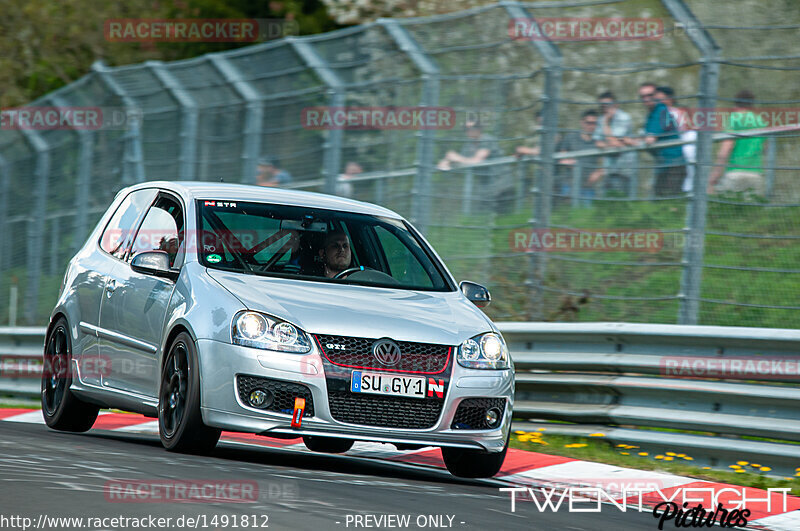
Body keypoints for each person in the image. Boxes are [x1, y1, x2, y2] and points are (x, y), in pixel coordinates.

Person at [708, 90, 767, 197]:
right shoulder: (761, 121)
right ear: (752, 104)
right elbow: (763, 149)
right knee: (752, 212)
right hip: (756, 173)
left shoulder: (734, 119)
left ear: (735, 104)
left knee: (726, 208)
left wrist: (714, 177)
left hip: (735, 173)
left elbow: (726, 149)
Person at [639, 82, 686, 196]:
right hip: (663, 165)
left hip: (674, 165)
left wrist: (633, 142)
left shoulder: (661, 110)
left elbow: (650, 140)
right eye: (643, 96)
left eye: (650, 95)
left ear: (656, 95)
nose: (646, 99)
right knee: (659, 204)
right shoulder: (651, 114)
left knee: (671, 204)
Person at [556, 109, 604, 206]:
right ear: (582, 123)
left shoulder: (598, 143)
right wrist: (572, 164)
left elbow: (602, 165)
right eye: (588, 123)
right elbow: (561, 158)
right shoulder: (571, 138)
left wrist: (598, 173)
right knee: (567, 214)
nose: (591, 126)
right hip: (569, 185)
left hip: (588, 188)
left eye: (594, 123)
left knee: (585, 216)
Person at [592, 91, 636, 193]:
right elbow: (598, 143)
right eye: (603, 106)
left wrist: (606, 124)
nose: (606, 109)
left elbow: (614, 143)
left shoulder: (624, 118)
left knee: (621, 200)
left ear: (616, 105)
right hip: (609, 168)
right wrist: (612, 143)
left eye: (608, 105)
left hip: (624, 168)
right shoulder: (601, 119)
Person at [655, 86, 697, 193]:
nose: (659, 103)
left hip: (678, 158)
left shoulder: (673, 112)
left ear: (670, 99)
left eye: (661, 99)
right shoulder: (662, 113)